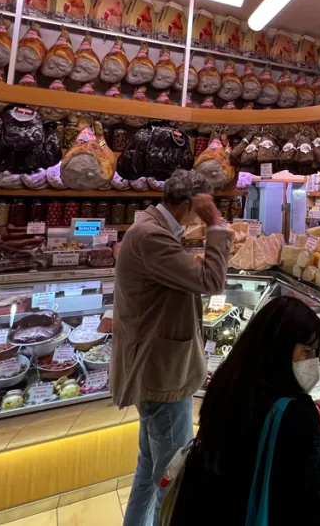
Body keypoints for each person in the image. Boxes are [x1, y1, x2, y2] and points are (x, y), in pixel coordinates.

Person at [111, 169, 233, 526]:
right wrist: (215, 223)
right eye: (200, 207)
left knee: (150, 466)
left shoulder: (153, 228)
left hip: (156, 366)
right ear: (189, 203)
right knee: (173, 477)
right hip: (162, 374)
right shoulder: (151, 236)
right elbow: (212, 282)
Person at [171, 296, 320, 525]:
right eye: (307, 352)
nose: (314, 363)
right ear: (281, 349)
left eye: (317, 353)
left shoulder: (229, 382)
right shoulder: (293, 416)